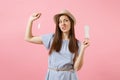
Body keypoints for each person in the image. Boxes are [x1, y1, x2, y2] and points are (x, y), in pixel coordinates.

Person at [25, 9, 90, 80]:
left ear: (71, 23)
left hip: (69, 77)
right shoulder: (51, 38)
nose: (63, 23)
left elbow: (76, 67)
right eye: (60, 21)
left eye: (66, 20)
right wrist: (30, 20)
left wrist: (83, 49)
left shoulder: (77, 44)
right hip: (53, 76)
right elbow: (28, 38)